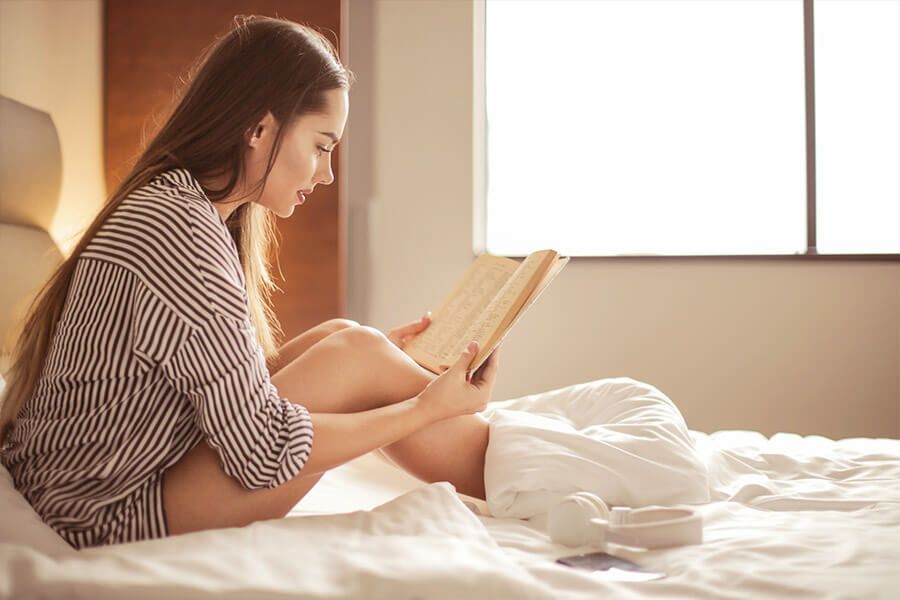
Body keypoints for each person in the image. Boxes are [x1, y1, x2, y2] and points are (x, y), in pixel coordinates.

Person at [0, 15, 500, 550]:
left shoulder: (178, 206)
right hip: (101, 510)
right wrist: (422, 409)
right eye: (322, 146)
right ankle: (522, 473)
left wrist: (385, 373)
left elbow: (215, 391)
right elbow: (262, 450)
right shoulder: (180, 233)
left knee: (345, 336)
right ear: (260, 130)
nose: (326, 174)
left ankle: (515, 463)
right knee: (358, 353)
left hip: (90, 482)